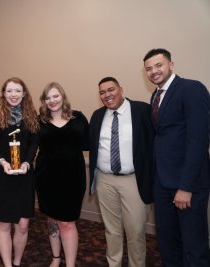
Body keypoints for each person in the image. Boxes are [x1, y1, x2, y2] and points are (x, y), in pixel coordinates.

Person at [143, 48, 210, 266]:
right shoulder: (156, 96)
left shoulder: (191, 89)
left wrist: (186, 186)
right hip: (162, 184)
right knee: (167, 243)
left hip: (186, 185)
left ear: (171, 64)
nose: (154, 71)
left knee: (193, 246)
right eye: (149, 68)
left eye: (158, 65)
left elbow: (197, 140)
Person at [89, 77, 154, 267]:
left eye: (111, 90)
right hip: (104, 180)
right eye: (102, 92)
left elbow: (153, 143)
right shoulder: (97, 116)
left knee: (135, 230)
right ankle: (114, 263)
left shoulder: (141, 111)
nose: (107, 95)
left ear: (121, 89)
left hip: (133, 180)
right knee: (112, 230)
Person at [35, 82, 89, 267]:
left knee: (67, 223)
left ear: (63, 97)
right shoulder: (39, 121)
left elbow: (91, 143)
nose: (52, 100)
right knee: (51, 219)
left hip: (72, 179)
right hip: (46, 179)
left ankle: (70, 264)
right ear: (44, 101)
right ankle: (56, 258)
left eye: (55, 96)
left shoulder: (79, 118)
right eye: (48, 97)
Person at [0, 77, 39, 267]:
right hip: (2, 176)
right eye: (9, 91)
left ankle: (17, 262)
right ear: (4, 94)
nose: (13, 95)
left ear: (24, 93)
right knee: (3, 224)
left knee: (23, 225)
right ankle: (8, 264)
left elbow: (34, 142)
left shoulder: (31, 114)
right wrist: (2, 162)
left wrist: (27, 162)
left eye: (17, 91)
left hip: (25, 176)